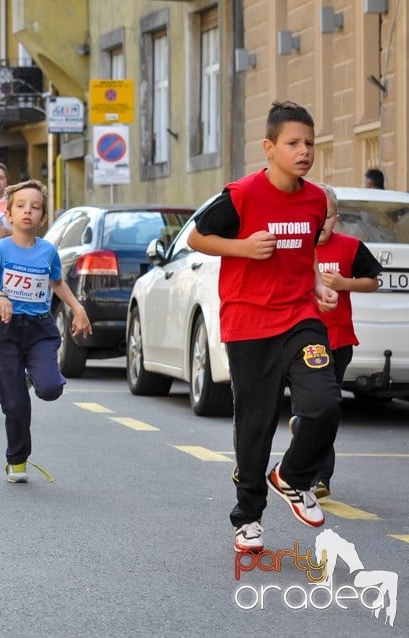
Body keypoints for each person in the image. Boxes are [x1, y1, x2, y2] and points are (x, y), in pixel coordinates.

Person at [187, 101, 342, 554]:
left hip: (300, 319)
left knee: (324, 403)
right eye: (294, 143)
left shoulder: (315, 199)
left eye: (310, 143)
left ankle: (292, 476)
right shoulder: (242, 194)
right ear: (269, 148)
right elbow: (196, 236)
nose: (304, 151)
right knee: (254, 427)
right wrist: (243, 247)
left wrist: (317, 286)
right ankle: (248, 518)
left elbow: (304, 252)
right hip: (249, 324)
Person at [0, 179, 92, 484]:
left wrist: (77, 308)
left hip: (39, 329)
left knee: (51, 388)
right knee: (14, 405)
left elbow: (57, 282)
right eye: (21, 206)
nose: (28, 211)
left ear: (42, 219)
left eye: (35, 207)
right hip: (9, 330)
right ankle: (17, 460)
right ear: (10, 214)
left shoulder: (48, 251)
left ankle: (30, 377)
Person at [307, 183, 382, 498]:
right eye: (316, 216)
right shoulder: (296, 248)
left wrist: (343, 283)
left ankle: (321, 478)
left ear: (336, 219)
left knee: (326, 406)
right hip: (300, 337)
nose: (321, 222)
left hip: (337, 339)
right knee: (308, 407)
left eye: (328, 216)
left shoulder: (350, 247)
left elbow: (373, 281)